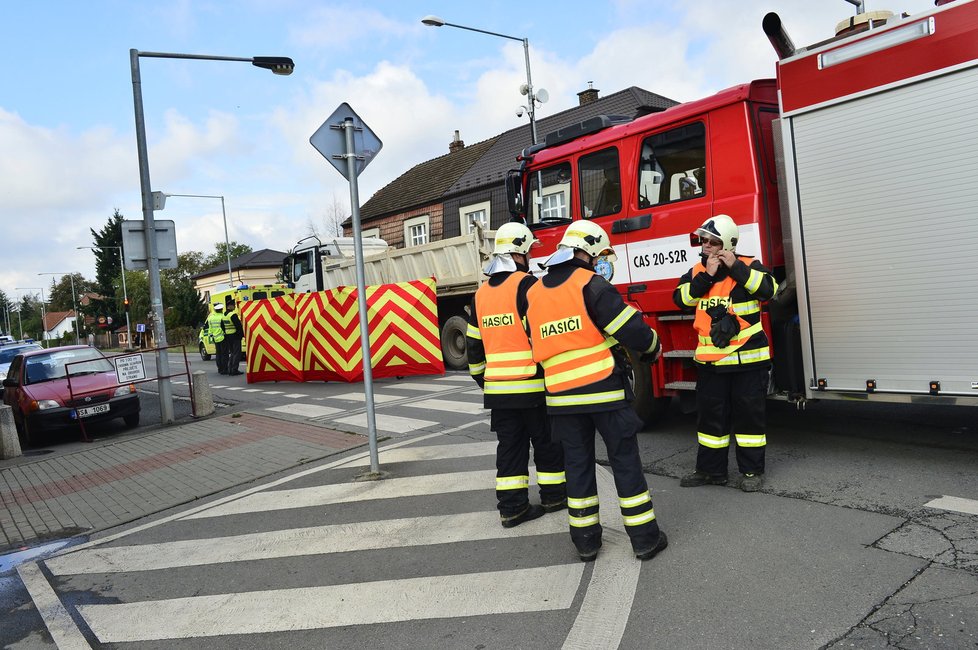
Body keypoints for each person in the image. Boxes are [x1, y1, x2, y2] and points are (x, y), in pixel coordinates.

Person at [526, 220, 667, 563]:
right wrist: (653, 346)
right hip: (603, 393)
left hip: (561, 398)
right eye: (600, 254)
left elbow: (536, 340)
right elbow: (630, 330)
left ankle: (586, 542)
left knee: (576, 467)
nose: (601, 261)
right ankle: (645, 539)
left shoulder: (535, 293)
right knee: (624, 462)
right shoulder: (592, 284)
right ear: (587, 251)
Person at [466, 221, 566, 528]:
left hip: (499, 391)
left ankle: (512, 508)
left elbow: (474, 350)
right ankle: (554, 497)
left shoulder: (480, 294)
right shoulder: (529, 286)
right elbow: (543, 335)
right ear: (519, 253)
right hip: (534, 387)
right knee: (547, 443)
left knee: (510, 448)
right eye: (528, 253)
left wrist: (488, 380)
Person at [673, 214, 778, 492]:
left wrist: (736, 269)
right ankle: (710, 471)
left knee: (749, 420)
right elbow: (681, 299)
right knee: (710, 420)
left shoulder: (749, 266)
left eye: (711, 241)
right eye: (703, 240)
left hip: (748, 362)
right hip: (711, 364)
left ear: (727, 244)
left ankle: (752, 473)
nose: (705, 244)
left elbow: (769, 290)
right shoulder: (697, 271)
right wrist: (707, 276)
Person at [223, 297, 243, 376]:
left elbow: (222, 326)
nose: (234, 306)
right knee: (236, 353)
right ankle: (234, 370)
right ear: (229, 306)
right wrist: (241, 335)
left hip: (228, 336)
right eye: (233, 305)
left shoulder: (224, 315)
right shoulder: (233, 315)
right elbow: (238, 326)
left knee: (232, 353)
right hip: (235, 336)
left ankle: (230, 369)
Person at [207, 303, 228, 375]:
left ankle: (220, 368)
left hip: (215, 338)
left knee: (218, 354)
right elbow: (225, 328)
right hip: (222, 337)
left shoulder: (210, 318)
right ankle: (225, 369)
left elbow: (210, 328)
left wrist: (212, 336)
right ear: (221, 309)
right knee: (224, 354)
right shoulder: (223, 317)